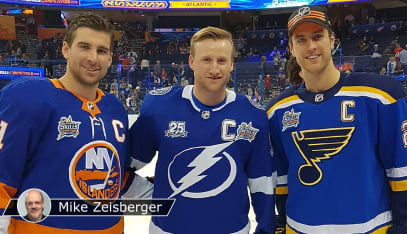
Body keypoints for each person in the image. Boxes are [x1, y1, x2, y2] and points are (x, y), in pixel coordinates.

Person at [267, 6, 407, 234]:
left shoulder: (381, 96)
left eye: (318, 36)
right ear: (291, 48)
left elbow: (402, 170)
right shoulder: (277, 110)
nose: (311, 46)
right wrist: (280, 222)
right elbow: (282, 176)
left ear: (332, 40)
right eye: (301, 40)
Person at [0, 12, 151, 234]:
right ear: (66, 49)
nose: (93, 57)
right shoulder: (27, 98)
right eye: (84, 47)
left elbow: (117, 176)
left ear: (110, 58)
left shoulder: (114, 109)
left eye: (101, 51)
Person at [129, 26, 275, 234]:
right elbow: (125, 164)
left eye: (222, 61)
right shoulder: (158, 106)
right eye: (206, 60)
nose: (214, 69)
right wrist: (150, 194)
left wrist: (266, 229)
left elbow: (261, 182)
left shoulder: (253, 115)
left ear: (232, 64)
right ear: (191, 62)